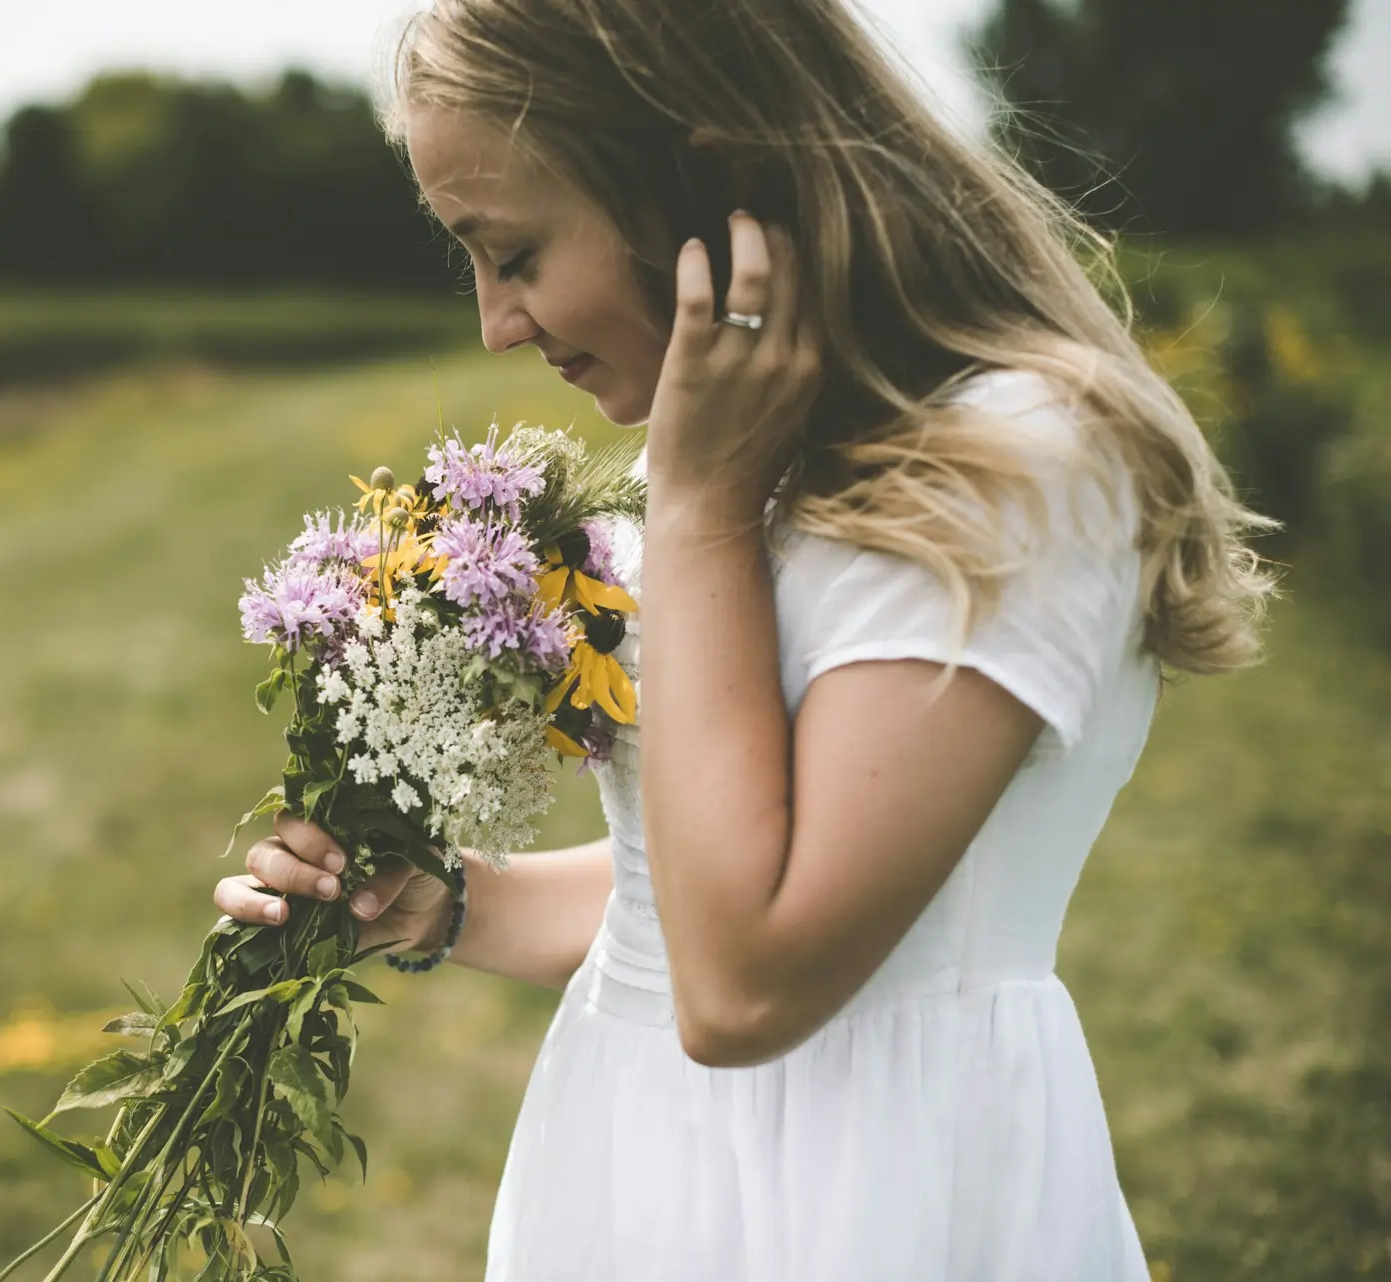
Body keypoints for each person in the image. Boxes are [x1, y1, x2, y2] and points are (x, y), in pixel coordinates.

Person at [213, 1, 1275, 1277]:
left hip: (876, 1186)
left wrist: (701, 507)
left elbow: (746, 981)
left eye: (516, 252)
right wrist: (449, 906)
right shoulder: (751, 450)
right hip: (634, 1162)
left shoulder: (1009, 466)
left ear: (698, 186)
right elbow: (696, 878)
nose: (496, 321)